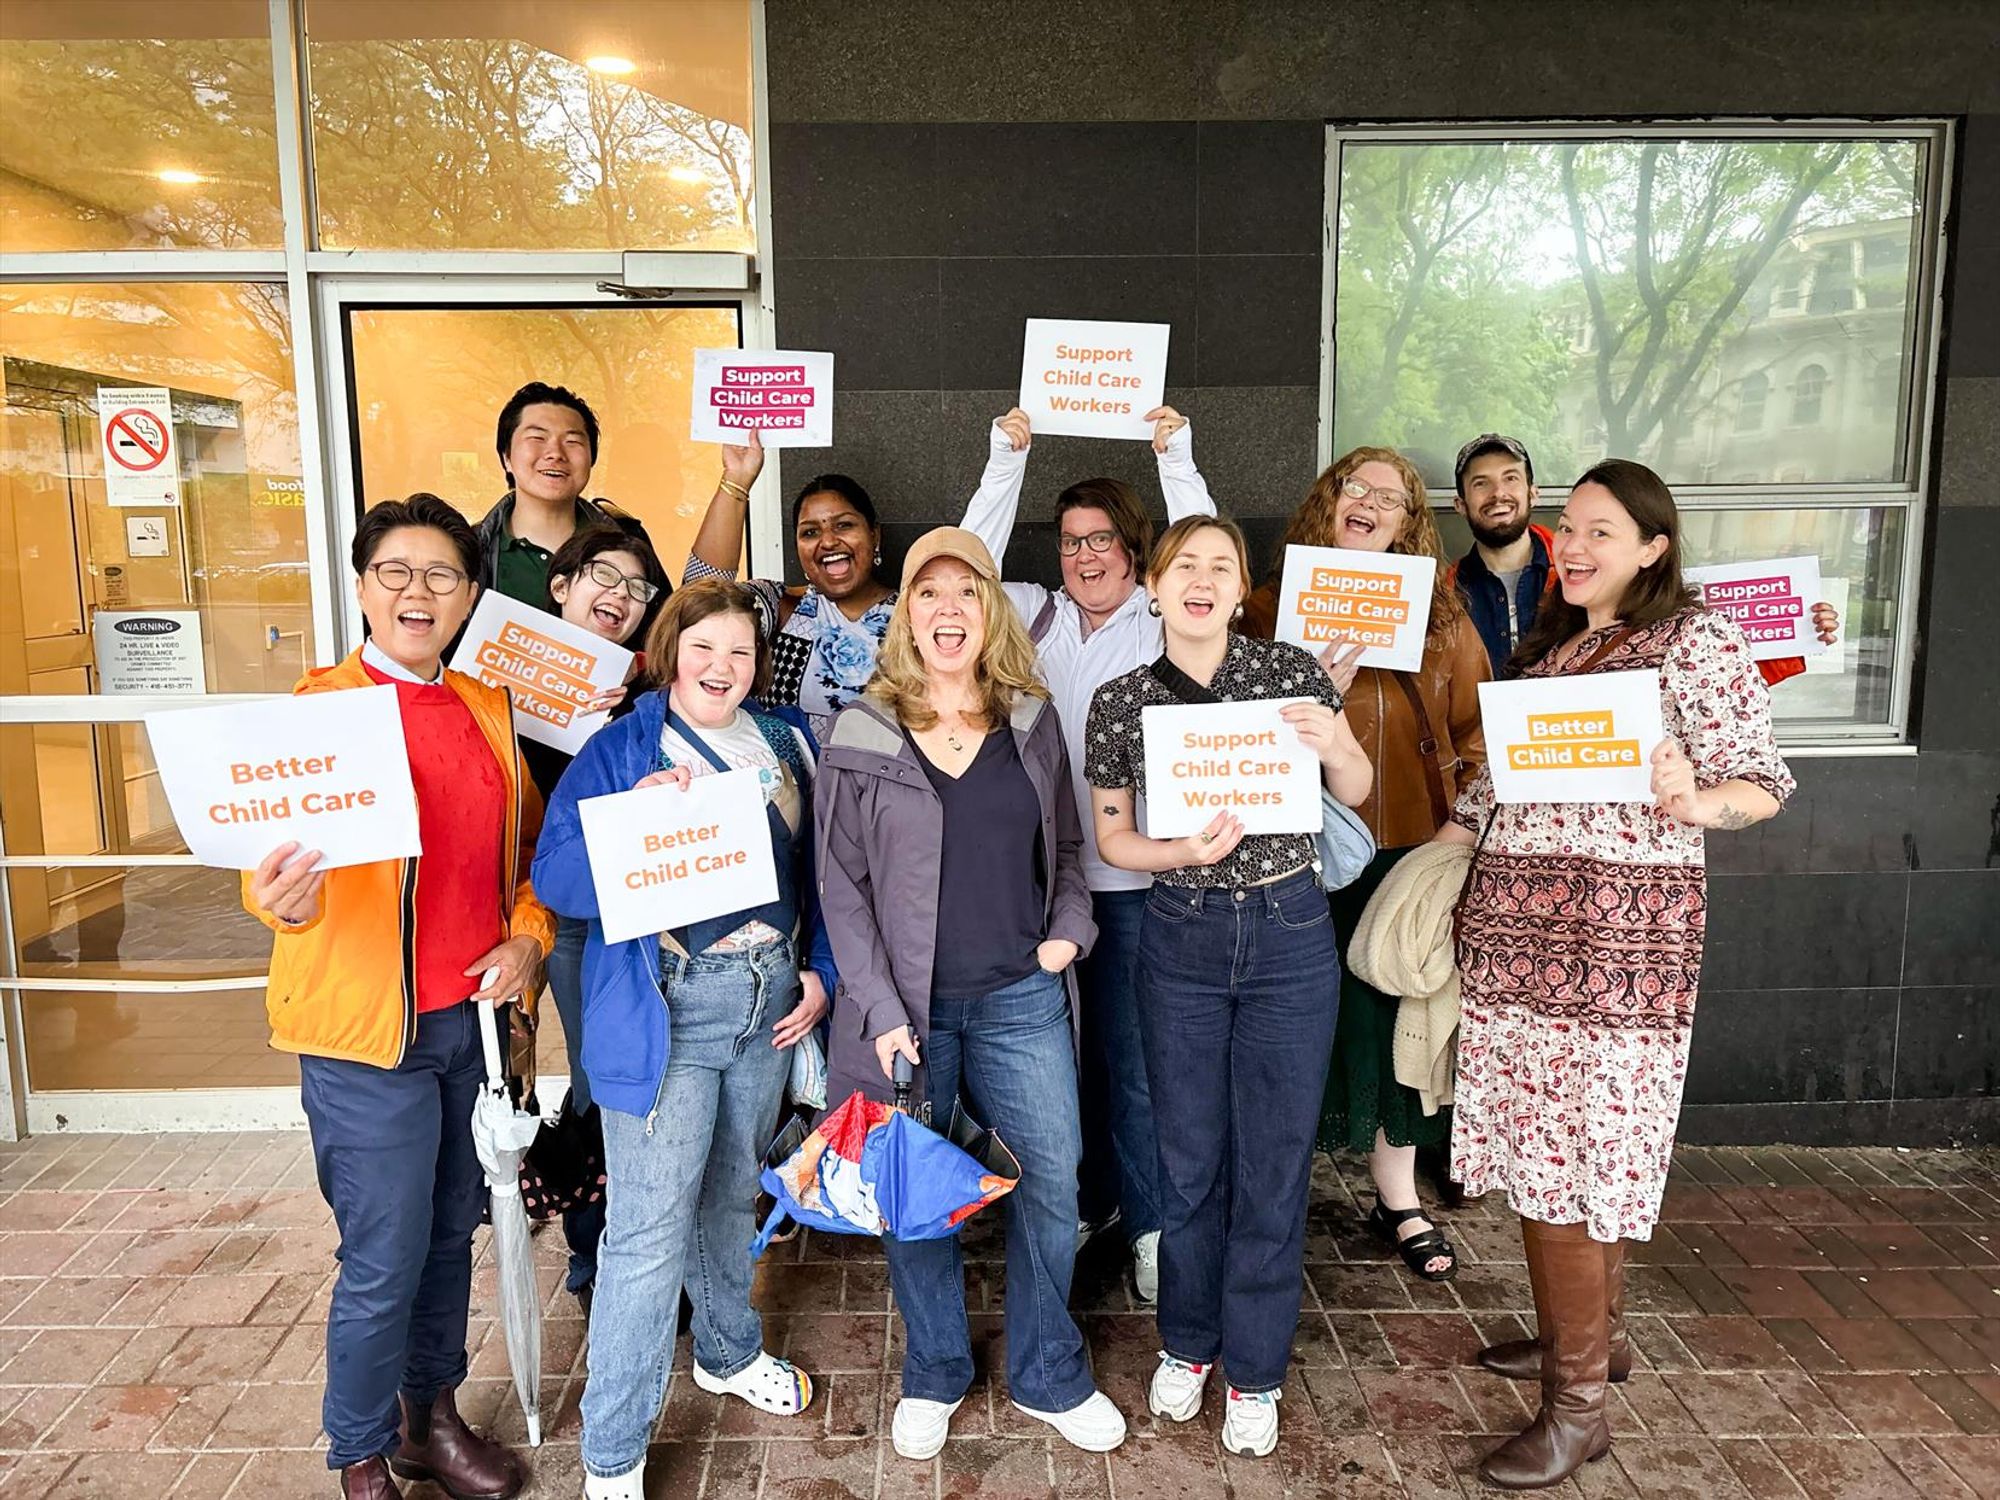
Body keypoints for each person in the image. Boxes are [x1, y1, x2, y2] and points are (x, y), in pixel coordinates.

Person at [1436, 459, 1793, 1489]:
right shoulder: (1555, 649)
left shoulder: (1694, 638)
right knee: (1560, 1157)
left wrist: (1693, 798)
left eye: (1602, 529)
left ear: (1652, 546)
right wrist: (1446, 850)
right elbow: (1495, 789)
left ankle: (1576, 1410)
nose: (1576, 545)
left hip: (1612, 953)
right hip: (1518, 944)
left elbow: (1760, 786)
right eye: (1569, 529)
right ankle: (1588, 1341)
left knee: (1576, 1165)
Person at [243, 493, 552, 1500]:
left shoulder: (488, 708)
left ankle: (432, 1419)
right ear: (364, 584)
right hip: (364, 1036)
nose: (419, 593)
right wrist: (279, 904)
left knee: (451, 1230)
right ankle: (359, 1451)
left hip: (470, 1029)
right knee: (382, 1253)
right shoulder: (316, 711)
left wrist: (527, 935)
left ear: (470, 596)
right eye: (397, 573)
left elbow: (529, 863)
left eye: (443, 576)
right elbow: (266, 868)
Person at [816, 527, 1126, 1461]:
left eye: (966, 592)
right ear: (904, 614)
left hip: (1019, 994)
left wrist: (1073, 928)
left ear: (989, 608)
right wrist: (876, 1007)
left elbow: (1068, 849)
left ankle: (1047, 1370)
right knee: (913, 1188)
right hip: (907, 1012)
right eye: (926, 593)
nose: (946, 609)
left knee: (1052, 1174)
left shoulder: (1030, 720)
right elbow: (841, 887)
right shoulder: (861, 731)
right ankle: (937, 1369)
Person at [532, 578, 834, 1500]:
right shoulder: (621, 747)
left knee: (728, 1194)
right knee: (646, 1232)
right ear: (672, 651)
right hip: (672, 1005)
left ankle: (729, 1352)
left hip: (770, 1000)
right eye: (704, 648)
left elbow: (821, 866)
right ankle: (613, 1453)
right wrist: (638, 826)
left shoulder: (787, 738)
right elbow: (556, 880)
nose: (722, 667)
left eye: (740, 651)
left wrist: (816, 967)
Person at [1086, 516, 1371, 1459]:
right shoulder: (1121, 700)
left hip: (1290, 934)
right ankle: (1190, 1344)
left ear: (1242, 588)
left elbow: (1360, 788)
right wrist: (1181, 851)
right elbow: (1116, 838)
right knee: (1190, 1155)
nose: (1202, 582)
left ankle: (1255, 1369)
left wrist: (1333, 741)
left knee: (1274, 1164)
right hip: (1183, 936)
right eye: (1184, 568)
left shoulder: (1288, 672)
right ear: (1154, 589)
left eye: (1222, 567)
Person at [957, 402, 1213, 1304]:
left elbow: (1204, 549)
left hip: (1139, 884)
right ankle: (1077, 1200)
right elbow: (965, 567)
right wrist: (1005, 463)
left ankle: (1146, 1227)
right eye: (1070, 540)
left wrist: (1173, 456)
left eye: (1102, 538)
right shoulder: (1033, 616)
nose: (1085, 555)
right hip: (1039, 884)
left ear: (1136, 550)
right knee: (1044, 1067)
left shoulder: (1163, 619)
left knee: (1134, 1065)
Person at [1239, 447, 1489, 1283]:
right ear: (1329, 502)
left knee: (1397, 1025)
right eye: (1357, 487)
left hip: (1409, 849)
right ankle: (1278, 1192)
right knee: (1298, 1023)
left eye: (1393, 497)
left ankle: (1396, 1192)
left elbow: (1480, 736)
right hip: (1296, 851)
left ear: (1410, 523)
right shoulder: (1269, 608)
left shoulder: (1444, 622)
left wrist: (1462, 829)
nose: (1371, 502)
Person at [519, 525, 672, 1317]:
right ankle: (588, 1249)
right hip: (520, 912)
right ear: (562, 585)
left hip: (600, 918)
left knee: (609, 1077)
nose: (617, 595)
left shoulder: (645, 703)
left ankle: (614, 1257)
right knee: (575, 1087)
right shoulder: (496, 685)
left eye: (637, 589)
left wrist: (623, 720)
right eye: (601, 577)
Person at [683, 423, 1036, 739]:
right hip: (793, 800)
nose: (828, 541)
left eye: (843, 525)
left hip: (883, 803)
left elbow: (971, 560)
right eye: (810, 532)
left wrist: (1005, 465)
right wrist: (737, 481)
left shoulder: (913, 614)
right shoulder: (780, 608)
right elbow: (699, 602)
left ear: (874, 535)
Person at [1446, 432, 1837, 681]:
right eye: (1482, 484)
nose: (1499, 493)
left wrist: (1796, 631)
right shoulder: (1443, 594)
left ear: (1534, 492)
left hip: (1583, 766)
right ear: (1461, 504)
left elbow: (1700, 666)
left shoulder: (1593, 576)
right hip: (1488, 766)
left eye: (1511, 478)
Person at [475, 382, 649, 610]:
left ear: (591, 459)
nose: (555, 453)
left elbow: (664, 630)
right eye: (538, 438)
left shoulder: (628, 538)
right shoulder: (471, 549)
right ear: (507, 457)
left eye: (572, 442)